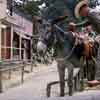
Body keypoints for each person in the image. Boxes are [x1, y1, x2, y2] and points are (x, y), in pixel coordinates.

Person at [74, 0, 100, 85]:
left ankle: (99, 79)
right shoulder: (91, 14)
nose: (82, 15)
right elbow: (86, 23)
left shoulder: (91, 14)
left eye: (81, 14)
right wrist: (76, 25)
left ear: (84, 9)